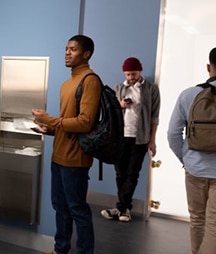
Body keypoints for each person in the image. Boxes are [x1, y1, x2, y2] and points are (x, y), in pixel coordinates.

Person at [32, 34, 100, 254]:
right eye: (66, 49)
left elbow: (85, 122)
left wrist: (49, 119)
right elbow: (67, 123)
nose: (67, 53)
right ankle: (61, 249)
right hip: (58, 156)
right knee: (60, 208)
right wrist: (48, 128)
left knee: (77, 209)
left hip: (76, 160)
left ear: (86, 54)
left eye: (73, 49)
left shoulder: (90, 80)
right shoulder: (66, 84)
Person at [167, 47, 216, 254]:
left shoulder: (189, 94)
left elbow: (172, 134)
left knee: (196, 220)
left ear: (208, 67)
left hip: (194, 170)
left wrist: (186, 159)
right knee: (214, 226)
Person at [100, 57, 160, 222]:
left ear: (139, 71)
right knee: (120, 173)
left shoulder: (151, 89)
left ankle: (121, 208)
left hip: (140, 138)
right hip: (119, 137)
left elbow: (154, 117)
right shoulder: (118, 88)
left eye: (133, 73)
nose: (130, 77)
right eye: (127, 74)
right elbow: (108, 112)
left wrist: (152, 140)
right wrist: (119, 105)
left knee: (132, 173)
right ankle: (124, 209)